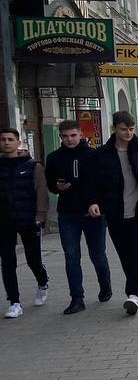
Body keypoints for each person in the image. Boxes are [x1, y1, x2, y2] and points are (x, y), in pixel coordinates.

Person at [87, 111, 138, 316]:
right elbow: (93, 182)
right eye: (124, 129)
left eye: (131, 129)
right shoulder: (102, 155)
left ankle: (133, 294)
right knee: (125, 255)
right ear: (115, 128)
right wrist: (93, 202)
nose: (128, 133)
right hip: (115, 212)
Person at [45, 119, 111, 314]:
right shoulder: (54, 158)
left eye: (73, 135)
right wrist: (57, 187)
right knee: (72, 257)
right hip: (68, 214)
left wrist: (97, 202)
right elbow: (50, 184)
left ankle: (105, 285)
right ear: (60, 137)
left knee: (97, 255)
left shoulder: (94, 155)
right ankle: (77, 298)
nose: (69, 139)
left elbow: (104, 184)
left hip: (93, 214)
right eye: (65, 136)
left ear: (81, 134)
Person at [0, 127, 50, 318]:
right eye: (3, 139)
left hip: (28, 219)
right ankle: (14, 302)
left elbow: (41, 191)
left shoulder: (32, 166)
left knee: (33, 259)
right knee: (7, 261)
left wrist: (40, 214)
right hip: (4, 221)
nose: (6, 142)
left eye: (10, 139)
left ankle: (43, 281)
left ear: (18, 143)